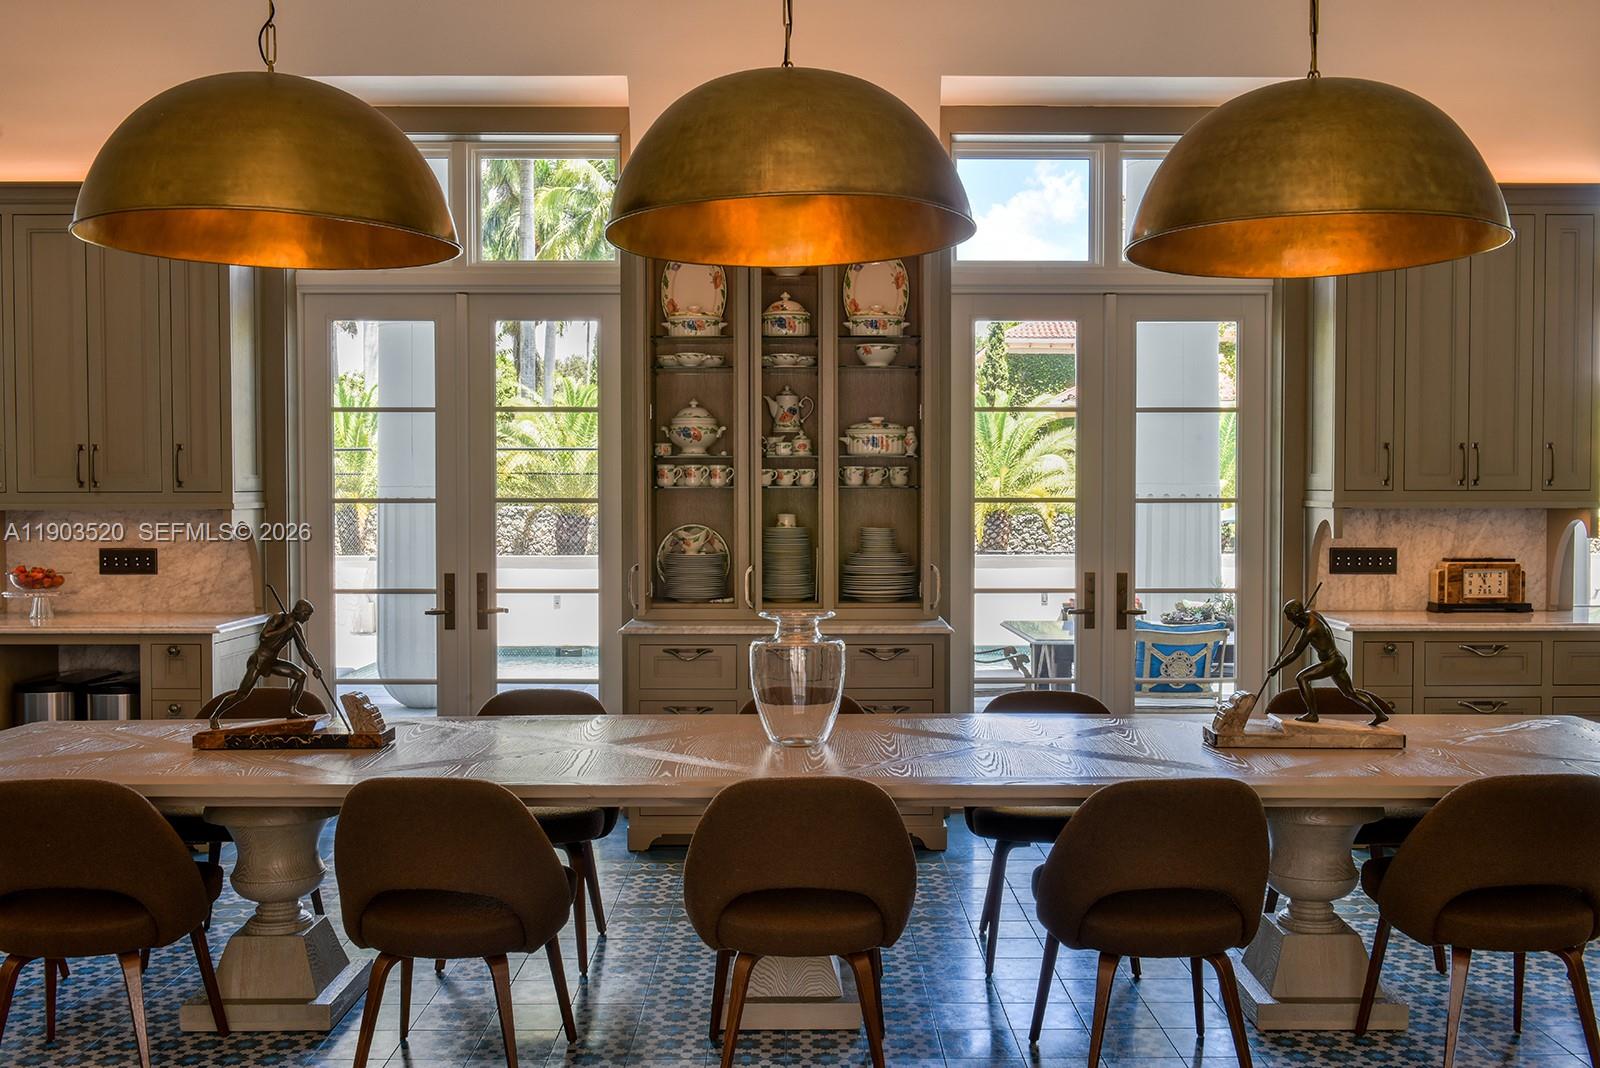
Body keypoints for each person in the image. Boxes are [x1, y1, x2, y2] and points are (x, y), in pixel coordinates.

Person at [1266, 599, 1391, 727]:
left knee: (1302, 678)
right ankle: (1380, 714)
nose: (1291, 622)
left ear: (1297, 615)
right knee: (1350, 693)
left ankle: (1312, 714)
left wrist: (1277, 667)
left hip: (1333, 661)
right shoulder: (1313, 614)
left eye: (1291, 618)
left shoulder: (1310, 630)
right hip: (1337, 660)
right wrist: (1300, 624)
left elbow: (1295, 653)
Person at [208, 599, 321, 728]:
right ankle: (215, 716)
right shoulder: (278, 618)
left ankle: (292, 710)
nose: (307, 619)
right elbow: (264, 637)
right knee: (241, 694)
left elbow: (303, 651)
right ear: (301, 612)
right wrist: (285, 627)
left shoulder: (296, 628)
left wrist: (315, 667)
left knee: (301, 675)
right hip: (259, 661)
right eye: (307, 615)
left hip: (272, 662)